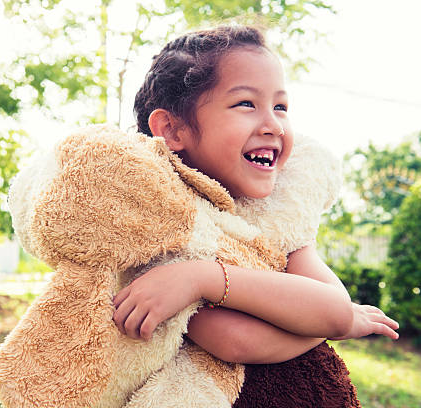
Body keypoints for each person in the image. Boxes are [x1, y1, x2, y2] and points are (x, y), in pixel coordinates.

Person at [112, 25, 399, 365]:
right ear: (172, 130)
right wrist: (316, 319)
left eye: (280, 106)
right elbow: (238, 341)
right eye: (246, 103)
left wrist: (203, 278)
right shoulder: (155, 221)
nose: (275, 126)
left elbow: (335, 309)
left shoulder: (276, 214)